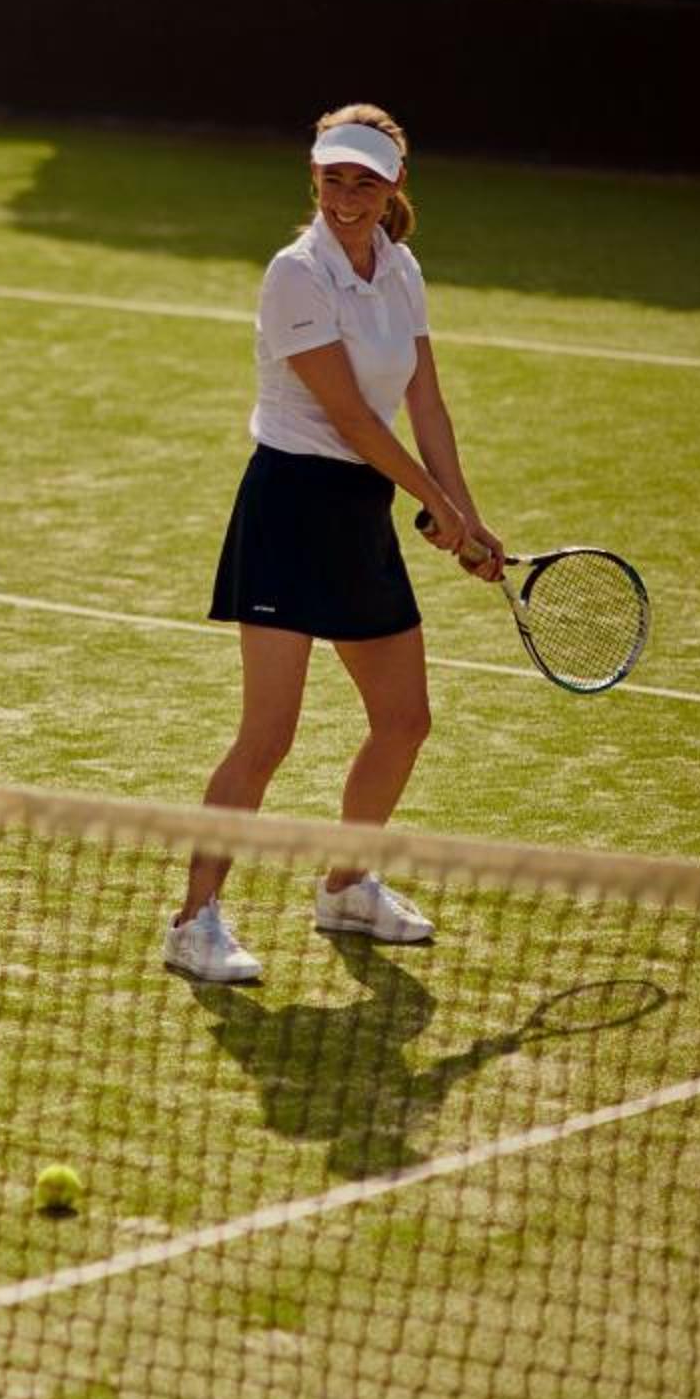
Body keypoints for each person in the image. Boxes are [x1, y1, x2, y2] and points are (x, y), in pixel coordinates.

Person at [167, 106, 505, 985]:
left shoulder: (400, 268)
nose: (347, 197)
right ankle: (194, 922)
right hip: (288, 509)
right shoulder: (295, 274)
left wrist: (466, 513)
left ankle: (347, 886)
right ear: (313, 178)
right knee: (267, 737)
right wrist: (435, 505)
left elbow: (424, 401)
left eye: (365, 181)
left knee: (405, 721)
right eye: (333, 179)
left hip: (359, 510)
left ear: (395, 187)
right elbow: (351, 417)